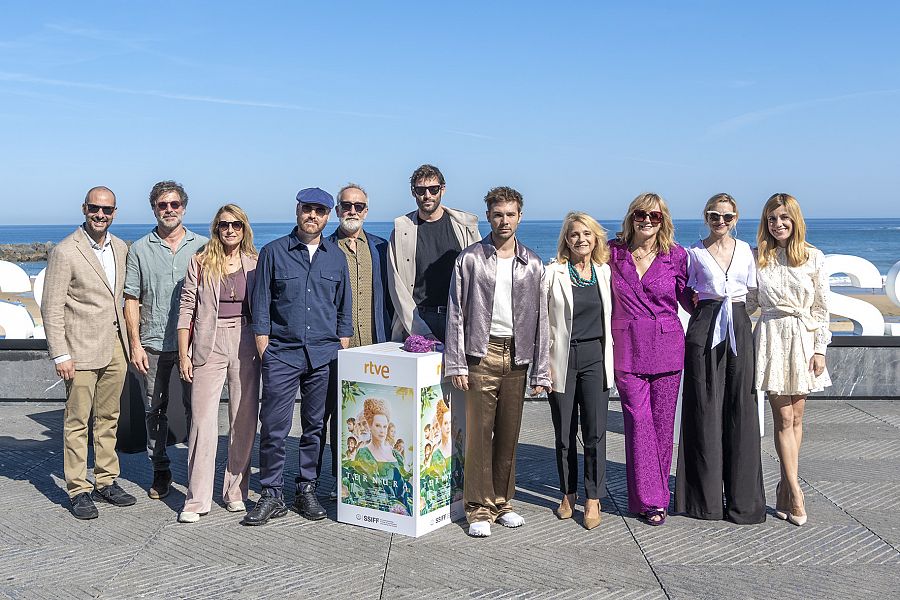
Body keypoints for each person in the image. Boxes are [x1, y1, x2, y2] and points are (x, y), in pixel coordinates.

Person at [445, 186, 551, 538]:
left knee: (508, 435)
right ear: (488, 216)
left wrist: (541, 369)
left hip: (518, 356)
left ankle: (503, 501)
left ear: (520, 216)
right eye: (497, 214)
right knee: (479, 435)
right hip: (482, 353)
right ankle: (478, 508)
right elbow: (456, 312)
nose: (504, 220)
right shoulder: (470, 258)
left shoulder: (533, 263)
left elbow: (542, 320)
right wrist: (457, 362)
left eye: (510, 214)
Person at [245, 187, 352, 525]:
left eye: (320, 211)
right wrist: (264, 344)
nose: (312, 216)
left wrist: (342, 345)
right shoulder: (274, 252)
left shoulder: (336, 257)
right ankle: (271, 493)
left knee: (315, 426)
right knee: (274, 427)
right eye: (308, 209)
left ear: (328, 216)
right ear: (298, 210)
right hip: (282, 353)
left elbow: (343, 308)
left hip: (323, 354)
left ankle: (306, 488)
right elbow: (260, 303)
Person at [42, 186, 136, 519]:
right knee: (77, 422)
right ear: (84, 208)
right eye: (95, 208)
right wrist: (60, 354)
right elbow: (51, 307)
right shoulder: (66, 250)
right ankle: (78, 488)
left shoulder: (122, 248)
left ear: (115, 213)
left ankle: (106, 480)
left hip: (116, 347)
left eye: (107, 210)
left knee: (109, 419)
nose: (100, 214)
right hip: (79, 350)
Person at [676, 193, 766, 524]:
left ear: (736, 218)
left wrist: (739, 316)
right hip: (705, 324)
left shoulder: (747, 251)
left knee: (742, 407)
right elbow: (684, 293)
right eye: (715, 216)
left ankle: (743, 502)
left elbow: (755, 294)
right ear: (706, 217)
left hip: (739, 324)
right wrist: (706, 314)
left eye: (727, 217)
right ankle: (705, 501)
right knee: (704, 407)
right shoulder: (694, 253)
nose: (721, 222)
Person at [608, 194, 693, 526]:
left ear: (663, 220)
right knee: (638, 421)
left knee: (662, 426)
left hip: (667, 347)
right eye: (641, 214)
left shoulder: (677, 256)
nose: (647, 220)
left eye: (654, 216)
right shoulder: (613, 252)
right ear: (631, 217)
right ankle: (654, 499)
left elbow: (690, 299)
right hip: (626, 347)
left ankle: (645, 499)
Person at [748, 193, 831, 526]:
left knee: (797, 418)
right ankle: (795, 491)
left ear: (794, 220)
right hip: (770, 337)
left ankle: (783, 486)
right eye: (771, 218)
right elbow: (750, 302)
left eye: (783, 217)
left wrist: (820, 349)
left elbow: (822, 307)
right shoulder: (758, 257)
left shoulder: (813, 257)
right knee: (783, 418)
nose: (778, 224)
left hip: (804, 337)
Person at [175, 205, 260, 523]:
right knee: (202, 422)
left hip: (246, 340)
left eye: (236, 224)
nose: (230, 230)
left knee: (243, 420)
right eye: (224, 224)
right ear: (216, 228)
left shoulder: (256, 261)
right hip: (207, 344)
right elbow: (187, 308)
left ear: (244, 227)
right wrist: (184, 352)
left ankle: (235, 491)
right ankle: (196, 499)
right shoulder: (200, 261)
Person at [125, 180, 208, 500]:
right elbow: (131, 298)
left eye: (174, 204)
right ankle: (160, 470)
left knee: (196, 410)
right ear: (154, 209)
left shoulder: (203, 246)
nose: (169, 210)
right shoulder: (140, 249)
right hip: (154, 343)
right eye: (163, 205)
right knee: (153, 410)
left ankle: (195, 473)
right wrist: (135, 344)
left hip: (195, 345)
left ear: (183, 208)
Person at [318, 183, 393, 499]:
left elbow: (392, 295)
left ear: (366, 210)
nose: (352, 211)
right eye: (346, 206)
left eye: (358, 206)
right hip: (334, 349)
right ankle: (336, 479)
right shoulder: (322, 247)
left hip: (374, 347)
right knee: (333, 415)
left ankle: (370, 477)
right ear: (337, 210)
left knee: (368, 419)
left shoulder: (379, 247)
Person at [545, 212, 614, 530]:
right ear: (566, 239)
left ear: (595, 238)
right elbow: (541, 321)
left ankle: (593, 497)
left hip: (595, 357)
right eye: (574, 234)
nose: (581, 239)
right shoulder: (553, 273)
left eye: (587, 234)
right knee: (563, 433)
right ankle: (568, 493)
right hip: (562, 358)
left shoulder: (604, 272)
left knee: (595, 432)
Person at [387, 164, 480, 342]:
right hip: (417, 320)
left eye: (433, 189)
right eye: (421, 190)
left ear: (442, 190)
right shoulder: (401, 232)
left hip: (457, 319)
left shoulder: (465, 228)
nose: (427, 195)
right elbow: (396, 285)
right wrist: (420, 330)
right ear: (413, 192)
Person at [355, 398, 403, 465]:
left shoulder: (396, 454)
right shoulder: (363, 453)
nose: (382, 431)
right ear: (370, 426)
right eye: (378, 426)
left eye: (385, 426)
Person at [430, 399, 452, 466]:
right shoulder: (436, 455)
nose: (449, 427)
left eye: (450, 422)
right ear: (440, 425)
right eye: (445, 423)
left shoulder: (456, 447)